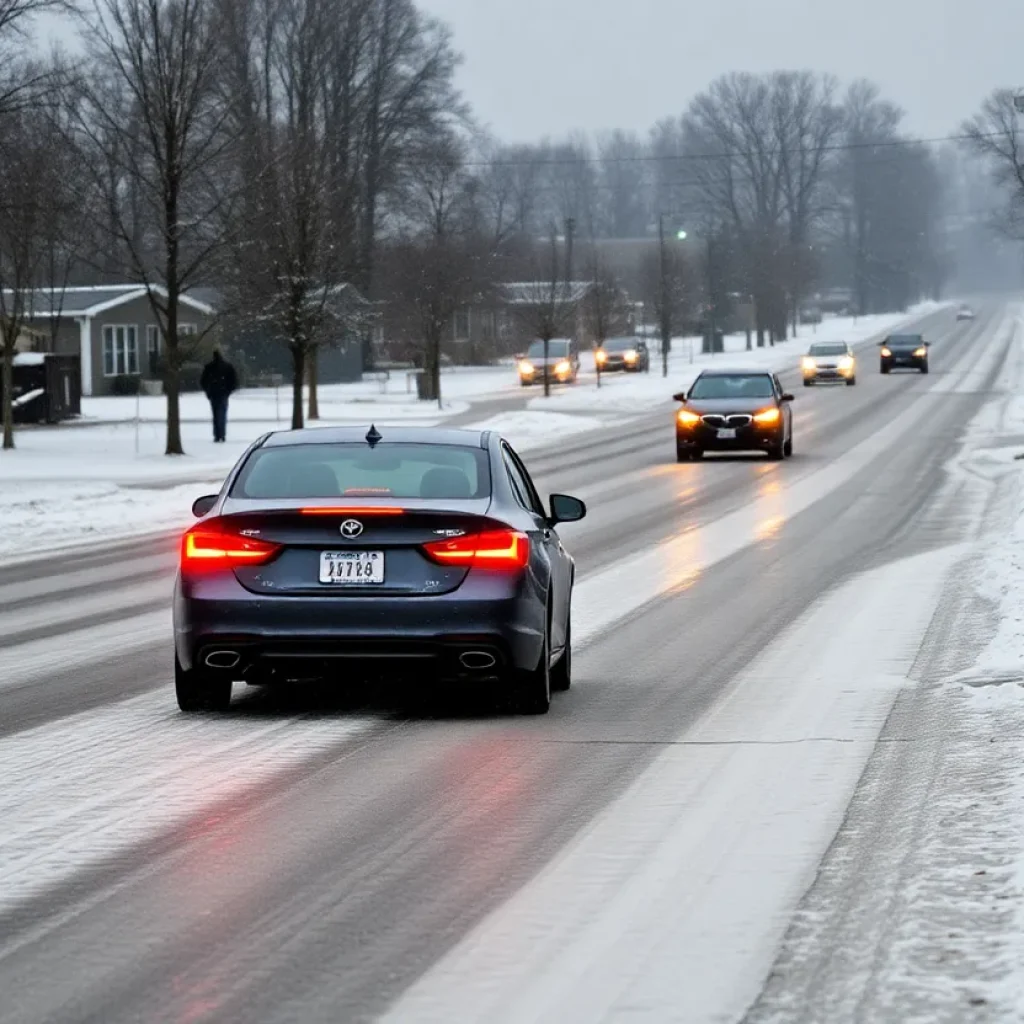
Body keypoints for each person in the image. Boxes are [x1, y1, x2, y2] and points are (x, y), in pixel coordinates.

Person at [200, 349, 238, 443]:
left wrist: (208, 391)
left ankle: (217, 435)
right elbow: (233, 381)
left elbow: (203, 381)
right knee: (222, 414)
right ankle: (222, 434)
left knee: (216, 415)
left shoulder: (209, 367)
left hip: (214, 393)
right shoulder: (227, 366)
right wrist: (228, 391)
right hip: (223, 393)